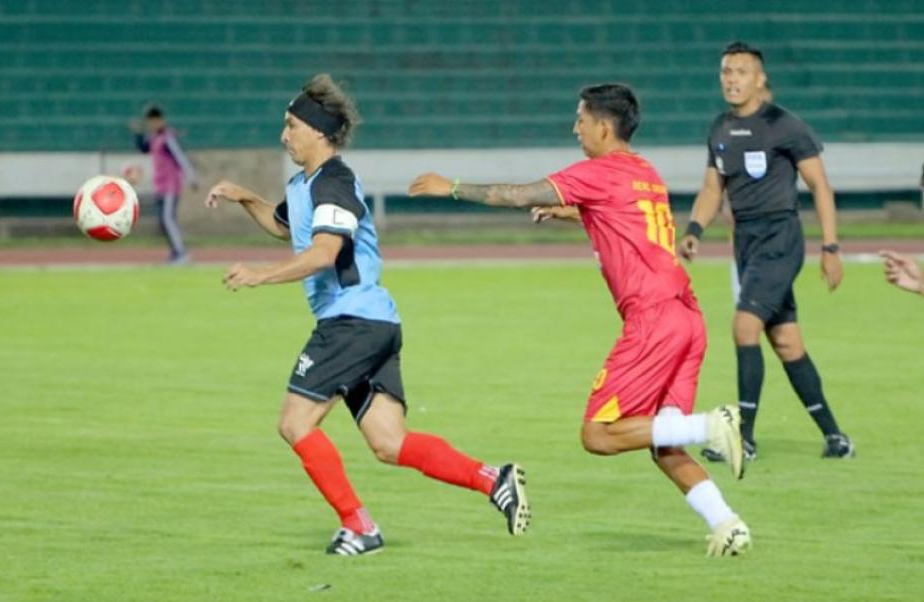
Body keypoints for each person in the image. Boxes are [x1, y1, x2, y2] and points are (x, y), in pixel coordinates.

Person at [409, 83, 751, 557]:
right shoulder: (643, 171)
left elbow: (516, 193)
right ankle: (728, 524)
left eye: (581, 119)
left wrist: (453, 187)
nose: (575, 128)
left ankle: (710, 427)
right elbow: (621, 218)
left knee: (598, 434)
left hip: (653, 321)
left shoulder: (600, 171)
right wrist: (571, 212)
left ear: (604, 127)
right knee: (661, 441)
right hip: (687, 318)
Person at [205, 74, 530, 556]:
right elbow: (284, 227)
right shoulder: (304, 184)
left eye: (291, 125)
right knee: (389, 442)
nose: (283, 135)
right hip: (373, 322)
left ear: (318, 132)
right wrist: (246, 197)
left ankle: (358, 526)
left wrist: (259, 276)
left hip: (351, 322)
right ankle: (493, 479)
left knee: (295, 423)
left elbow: (322, 253)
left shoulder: (335, 181)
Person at [680, 41, 854, 461]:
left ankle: (744, 439)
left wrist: (830, 247)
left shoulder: (785, 126)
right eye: (726, 72)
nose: (732, 79)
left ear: (760, 79)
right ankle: (836, 438)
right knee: (787, 342)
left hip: (781, 238)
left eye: (740, 72)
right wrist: (694, 229)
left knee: (744, 326)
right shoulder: (720, 129)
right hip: (747, 244)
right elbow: (711, 189)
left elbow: (821, 187)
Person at [132, 104, 196, 264]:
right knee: (162, 221)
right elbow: (144, 148)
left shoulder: (168, 138)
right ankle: (175, 252)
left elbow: (180, 157)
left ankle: (182, 253)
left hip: (170, 186)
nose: (152, 125)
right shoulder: (154, 138)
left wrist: (191, 177)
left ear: (161, 120)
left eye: (154, 121)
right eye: (149, 122)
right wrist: (138, 134)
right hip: (160, 186)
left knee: (168, 219)